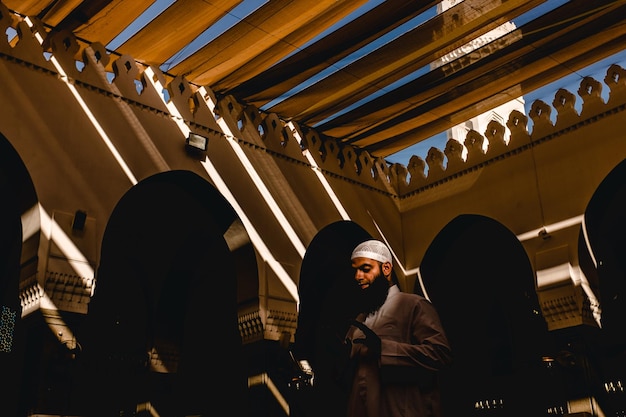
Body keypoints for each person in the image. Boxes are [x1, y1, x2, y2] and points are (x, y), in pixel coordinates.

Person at [344, 239, 452, 417]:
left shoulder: (413, 305)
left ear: (386, 268)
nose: (358, 276)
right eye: (355, 270)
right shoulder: (360, 319)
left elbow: (441, 354)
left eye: (365, 269)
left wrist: (384, 349)